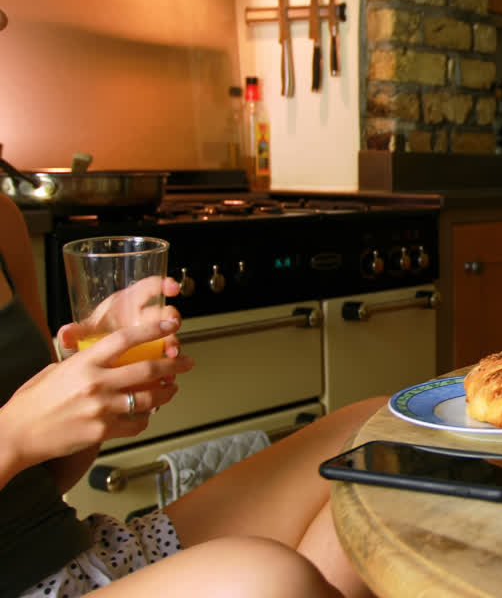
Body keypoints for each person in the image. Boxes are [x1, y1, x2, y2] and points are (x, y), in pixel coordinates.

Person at [0, 192, 381, 598]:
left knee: (383, 438)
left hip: (84, 555)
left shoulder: (4, 218)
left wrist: (90, 397)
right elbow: (17, 438)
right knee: (269, 581)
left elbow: (48, 479)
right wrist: (14, 434)